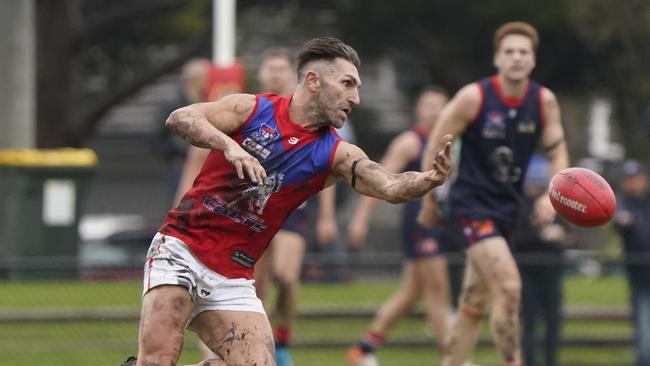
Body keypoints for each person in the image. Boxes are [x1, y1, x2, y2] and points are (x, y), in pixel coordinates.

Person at [122, 36, 453, 366]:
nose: (356, 98)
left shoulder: (336, 153)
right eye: (348, 84)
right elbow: (180, 118)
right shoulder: (252, 110)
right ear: (313, 80)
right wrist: (229, 145)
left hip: (232, 274)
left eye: (358, 88)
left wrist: (428, 180)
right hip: (182, 248)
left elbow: (389, 185)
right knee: (158, 359)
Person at [418, 21, 569, 366]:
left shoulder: (544, 101)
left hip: (507, 210)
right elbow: (435, 146)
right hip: (471, 206)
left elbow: (558, 152)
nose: (517, 58)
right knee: (510, 287)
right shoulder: (474, 97)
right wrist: (428, 198)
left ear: (533, 61)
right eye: (509, 52)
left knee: (473, 304)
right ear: (497, 59)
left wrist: (551, 195)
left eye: (524, 52)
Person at [345, 86, 451, 366]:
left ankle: (363, 349)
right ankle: (452, 357)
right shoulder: (410, 142)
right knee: (438, 288)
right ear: (419, 110)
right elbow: (379, 182)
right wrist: (361, 219)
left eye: (441, 105)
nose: (435, 111)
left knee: (411, 293)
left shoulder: (448, 142)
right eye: (429, 105)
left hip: (437, 221)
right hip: (418, 222)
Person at [512, 154, 569, 366]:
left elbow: (572, 235)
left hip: (552, 272)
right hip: (526, 272)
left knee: (554, 324)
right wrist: (539, 234)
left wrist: (561, 237)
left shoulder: (558, 203)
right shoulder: (518, 204)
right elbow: (514, 238)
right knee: (528, 325)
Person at [150, 58, 211, 203]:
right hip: (180, 167)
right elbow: (156, 139)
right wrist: (178, 154)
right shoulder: (172, 107)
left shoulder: (208, 104)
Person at [613, 159, 650, 366]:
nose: (633, 183)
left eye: (637, 178)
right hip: (639, 277)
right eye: (629, 179)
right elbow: (618, 221)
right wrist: (622, 221)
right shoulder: (622, 202)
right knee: (644, 335)